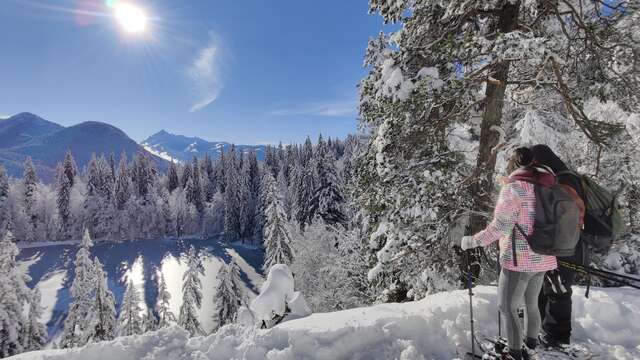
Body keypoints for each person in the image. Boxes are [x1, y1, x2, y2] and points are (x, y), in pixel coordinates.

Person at [459, 147, 558, 360]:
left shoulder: (515, 187)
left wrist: (474, 241)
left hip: (519, 260)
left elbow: (501, 226)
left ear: (514, 164)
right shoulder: (548, 186)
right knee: (532, 303)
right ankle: (530, 345)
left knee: (507, 307)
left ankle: (514, 354)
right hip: (544, 257)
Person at [530, 144, 586, 348]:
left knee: (552, 290)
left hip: (554, 245)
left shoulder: (553, 181)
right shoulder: (571, 177)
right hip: (573, 245)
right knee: (557, 289)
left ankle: (555, 338)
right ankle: (553, 336)